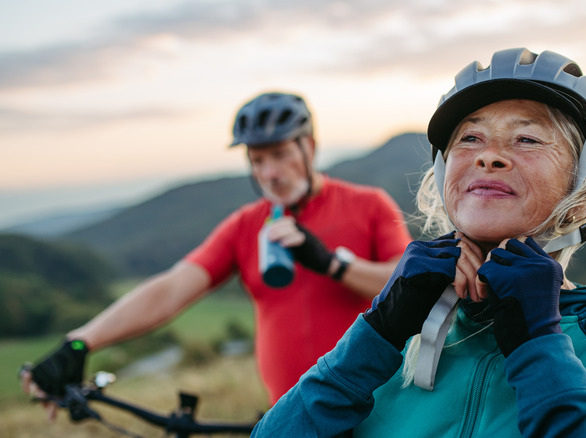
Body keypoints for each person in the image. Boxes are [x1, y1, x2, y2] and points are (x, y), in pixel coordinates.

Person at [250, 48, 586, 436]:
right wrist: (380, 329)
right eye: (470, 138)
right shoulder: (395, 340)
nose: (489, 154)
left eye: (526, 138)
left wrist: (538, 345)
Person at [21, 91, 413, 417]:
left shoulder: (368, 205)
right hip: (290, 417)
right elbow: (172, 288)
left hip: (374, 408)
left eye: (279, 154)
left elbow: (407, 281)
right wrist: (80, 342)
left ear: (308, 147)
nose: (269, 173)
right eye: (257, 160)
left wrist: (332, 263)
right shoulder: (246, 225)